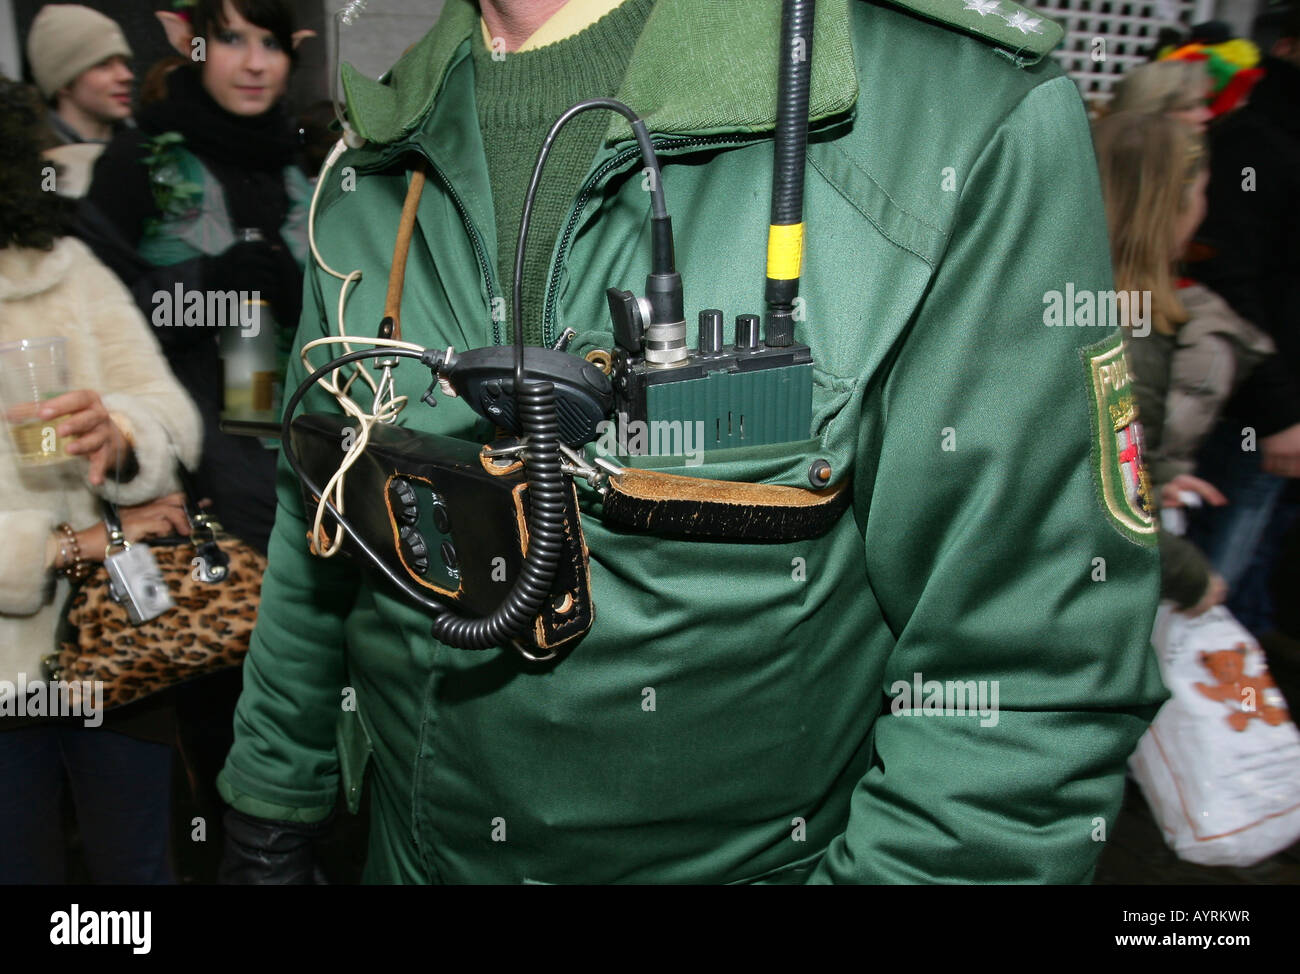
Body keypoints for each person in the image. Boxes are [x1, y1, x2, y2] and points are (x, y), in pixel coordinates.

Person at [217, 0, 1167, 884]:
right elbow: (320, 523)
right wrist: (272, 798)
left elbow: (1020, 692)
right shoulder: (373, 159)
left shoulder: (950, 126)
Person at [0, 76, 202, 883]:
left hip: (116, 639)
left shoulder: (64, 267)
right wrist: (62, 542)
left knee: (138, 870)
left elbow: (168, 411)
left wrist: (119, 438)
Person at [80, 0, 313, 557]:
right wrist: (208, 287)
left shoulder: (296, 163)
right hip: (183, 469)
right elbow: (93, 317)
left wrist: (295, 291)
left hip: (296, 444)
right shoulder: (137, 158)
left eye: (271, 44)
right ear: (190, 45)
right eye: (231, 40)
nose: (255, 64)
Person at [1094, 111, 1283, 616]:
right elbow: (1098, 501)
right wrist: (1189, 576)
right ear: (1170, 208)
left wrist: (1151, 470)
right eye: (1202, 193)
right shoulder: (1133, 329)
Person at [24, 3, 135, 198]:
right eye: (103, 65)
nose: (126, 76)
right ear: (64, 83)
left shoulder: (149, 149)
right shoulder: (31, 163)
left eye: (124, 63)